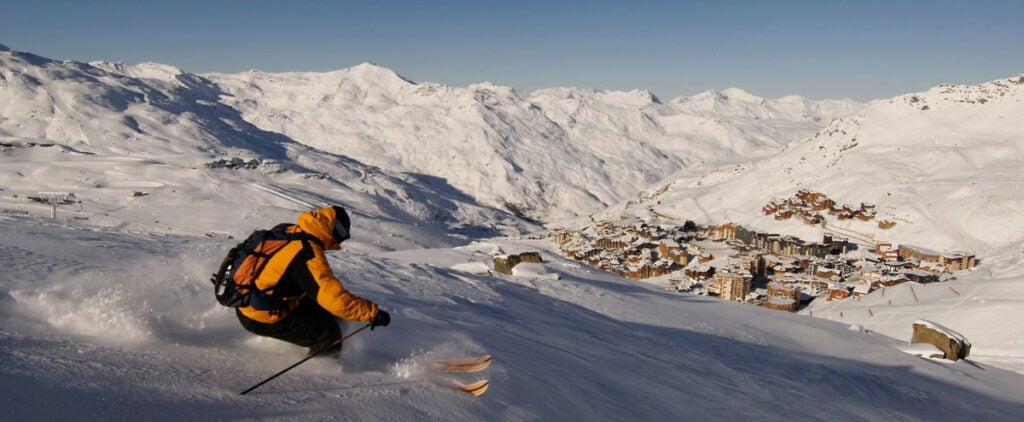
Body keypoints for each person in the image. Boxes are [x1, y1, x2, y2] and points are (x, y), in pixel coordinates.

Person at [235, 205, 390, 357]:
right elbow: (332, 297)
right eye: (340, 232)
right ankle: (318, 376)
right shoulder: (307, 254)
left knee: (331, 316)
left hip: (252, 299)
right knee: (330, 336)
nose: (339, 239)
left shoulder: (292, 232)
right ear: (330, 227)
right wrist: (371, 313)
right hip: (262, 315)